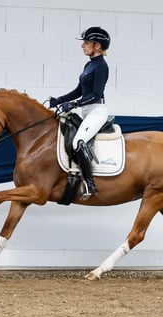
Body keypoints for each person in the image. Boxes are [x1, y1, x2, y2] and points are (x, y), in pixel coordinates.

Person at [50, 26, 110, 199]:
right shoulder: (89, 64)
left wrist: (74, 104)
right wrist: (60, 100)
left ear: (97, 46)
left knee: (79, 141)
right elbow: (79, 90)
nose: (82, 45)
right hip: (86, 110)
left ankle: (90, 185)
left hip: (97, 111)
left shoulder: (101, 67)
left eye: (86, 43)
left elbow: (95, 95)